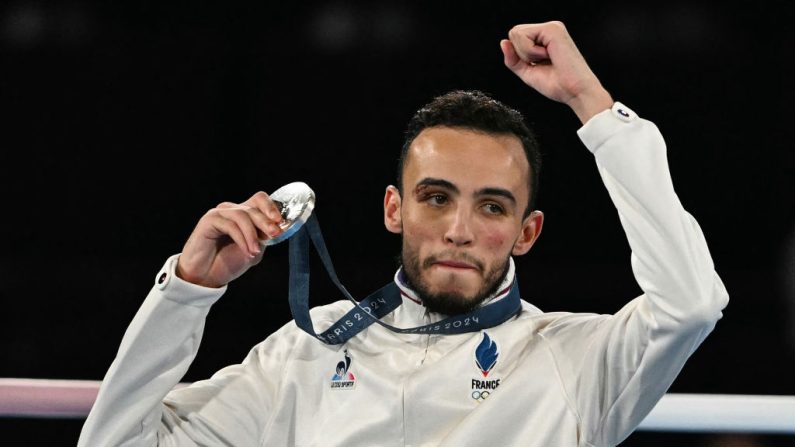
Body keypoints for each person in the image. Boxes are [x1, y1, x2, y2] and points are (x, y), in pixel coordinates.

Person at [78, 21, 729, 447]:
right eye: (436, 197)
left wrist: (592, 104)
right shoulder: (301, 356)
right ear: (394, 209)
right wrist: (186, 292)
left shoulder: (575, 362)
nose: (458, 229)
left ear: (527, 232)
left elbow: (690, 303)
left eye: (492, 207)